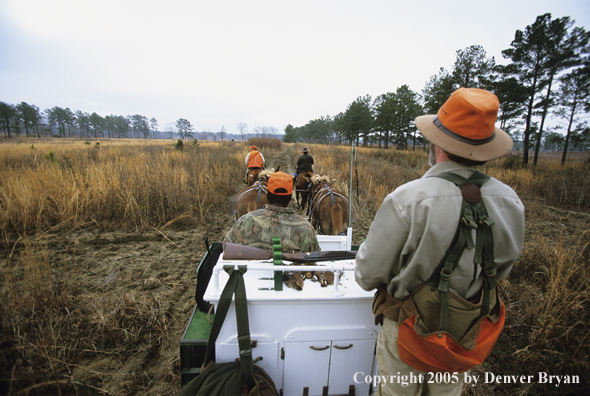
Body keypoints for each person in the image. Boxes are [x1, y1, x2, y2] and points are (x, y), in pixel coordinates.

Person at [355, 88, 525, 396]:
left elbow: (368, 275)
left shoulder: (408, 199)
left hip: (406, 329)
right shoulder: (510, 202)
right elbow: (501, 269)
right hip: (466, 332)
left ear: (437, 144)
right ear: (484, 147)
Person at [225, 171, 320, 253]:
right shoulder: (306, 227)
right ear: (290, 197)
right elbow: (314, 257)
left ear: (268, 196)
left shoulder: (244, 220)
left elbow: (225, 246)